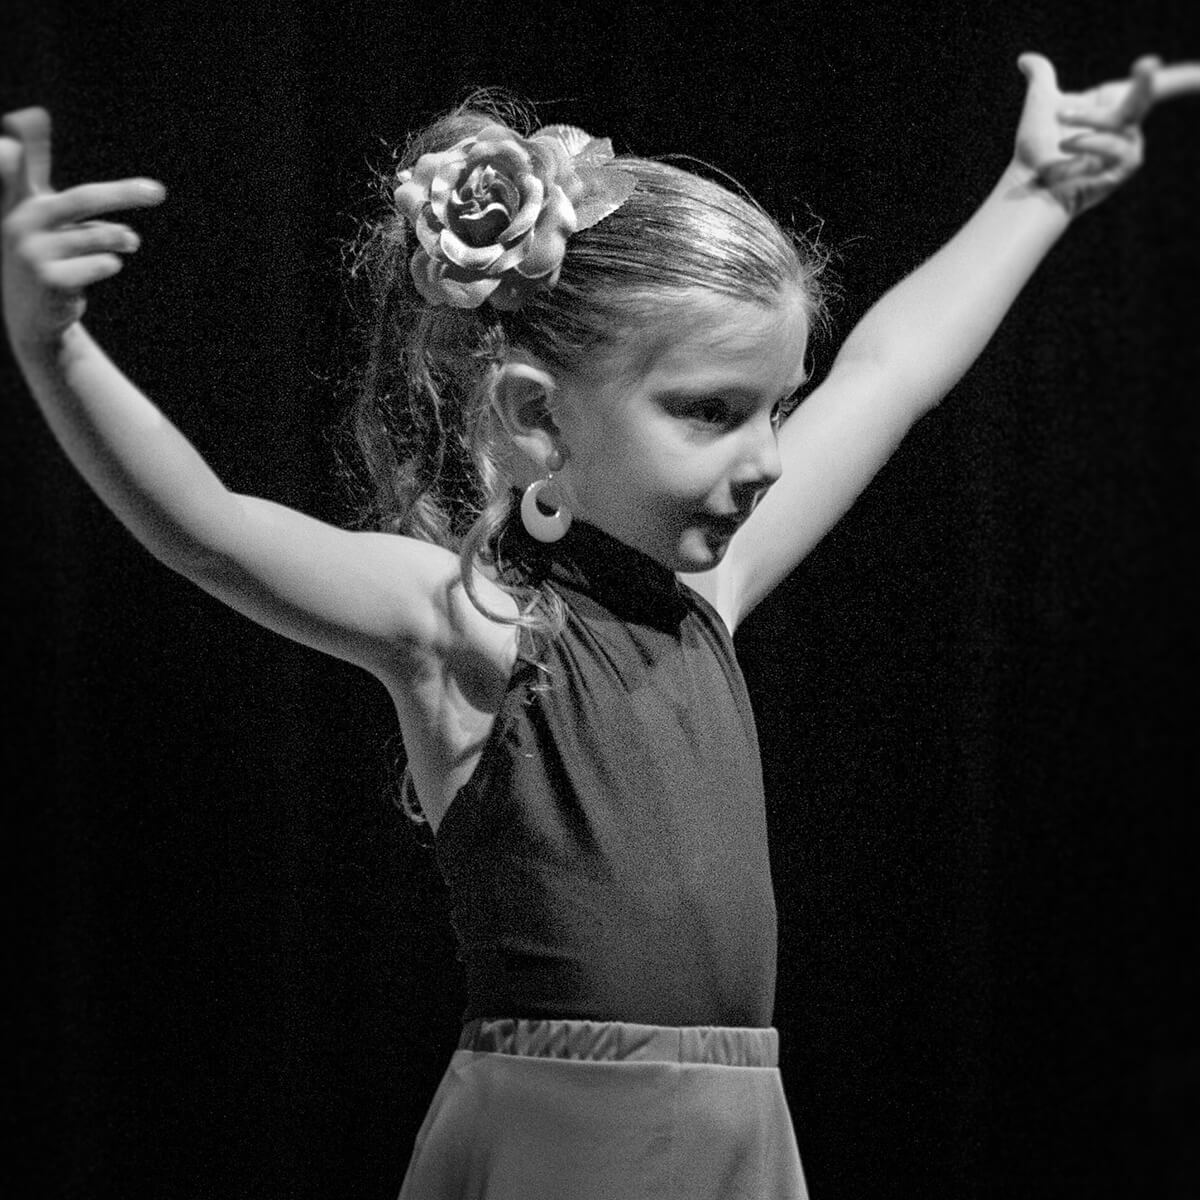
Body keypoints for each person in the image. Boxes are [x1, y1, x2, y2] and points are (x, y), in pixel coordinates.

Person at [2, 51, 1196, 1200]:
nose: (770, 458)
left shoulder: (705, 601)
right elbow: (209, 527)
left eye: (777, 407)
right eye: (713, 412)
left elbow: (888, 370)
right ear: (535, 417)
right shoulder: (474, 628)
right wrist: (54, 346)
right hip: (567, 1139)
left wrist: (1032, 196)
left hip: (740, 1133)